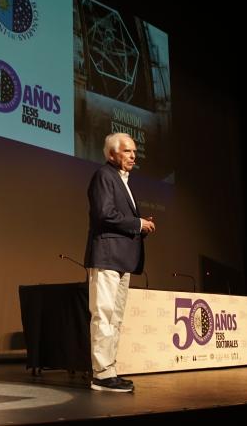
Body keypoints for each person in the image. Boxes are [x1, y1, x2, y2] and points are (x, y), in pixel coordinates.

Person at [84, 132, 155, 392]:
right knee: (103, 315)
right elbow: (104, 214)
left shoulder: (121, 180)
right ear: (112, 154)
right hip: (106, 256)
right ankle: (101, 374)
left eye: (134, 151)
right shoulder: (104, 175)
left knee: (115, 318)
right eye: (127, 151)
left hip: (121, 259)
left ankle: (109, 369)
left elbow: (117, 215)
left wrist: (140, 226)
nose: (133, 156)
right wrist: (137, 223)